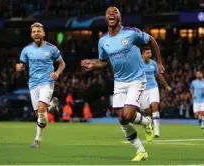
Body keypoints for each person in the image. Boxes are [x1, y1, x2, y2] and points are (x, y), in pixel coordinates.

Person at [81, 7, 164, 161]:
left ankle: (146, 123)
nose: (111, 13)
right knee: (121, 118)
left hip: (137, 79)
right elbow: (103, 61)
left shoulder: (131, 33)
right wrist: (93, 64)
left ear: (120, 17)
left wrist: (159, 62)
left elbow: (151, 40)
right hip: (119, 82)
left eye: (115, 12)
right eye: (108, 12)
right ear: (105, 18)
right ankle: (141, 151)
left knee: (129, 114)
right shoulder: (103, 40)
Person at [15, 22, 66, 147]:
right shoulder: (26, 50)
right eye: (34, 32)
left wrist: (57, 73)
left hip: (47, 82)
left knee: (42, 109)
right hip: (33, 84)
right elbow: (22, 64)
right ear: (31, 34)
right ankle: (52, 105)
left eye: (38, 31)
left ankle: (37, 140)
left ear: (43, 33)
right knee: (40, 116)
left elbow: (62, 64)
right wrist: (19, 67)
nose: (36, 33)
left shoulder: (51, 48)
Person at [140, 46, 171, 138]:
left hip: (153, 87)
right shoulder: (137, 64)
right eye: (147, 53)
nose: (150, 55)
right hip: (142, 90)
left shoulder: (153, 63)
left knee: (154, 106)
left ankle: (157, 130)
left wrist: (166, 86)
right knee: (147, 111)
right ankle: (150, 127)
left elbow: (159, 76)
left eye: (150, 53)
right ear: (142, 54)